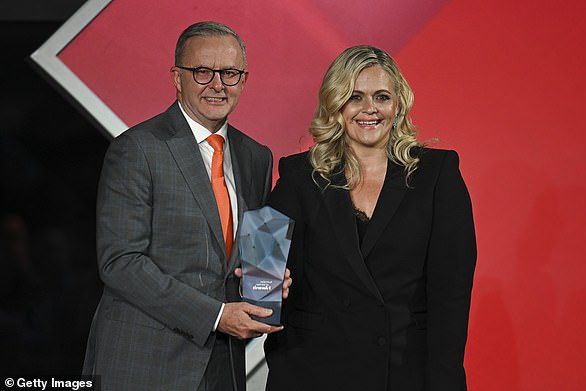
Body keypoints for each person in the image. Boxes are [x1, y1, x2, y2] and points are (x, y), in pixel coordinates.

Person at [82, 21, 291, 391]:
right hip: (144, 365)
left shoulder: (256, 156)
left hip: (224, 366)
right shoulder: (137, 149)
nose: (217, 84)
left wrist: (268, 284)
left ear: (244, 79)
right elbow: (120, 262)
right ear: (177, 77)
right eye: (202, 72)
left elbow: (249, 257)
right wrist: (216, 316)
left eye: (229, 73)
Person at [264, 45, 477, 391]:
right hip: (314, 371)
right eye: (355, 97)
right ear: (337, 105)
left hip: (403, 373)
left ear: (398, 105)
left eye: (381, 97)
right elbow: (265, 267)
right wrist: (265, 284)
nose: (369, 109)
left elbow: (450, 298)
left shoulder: (437, 175)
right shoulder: (299, 176)